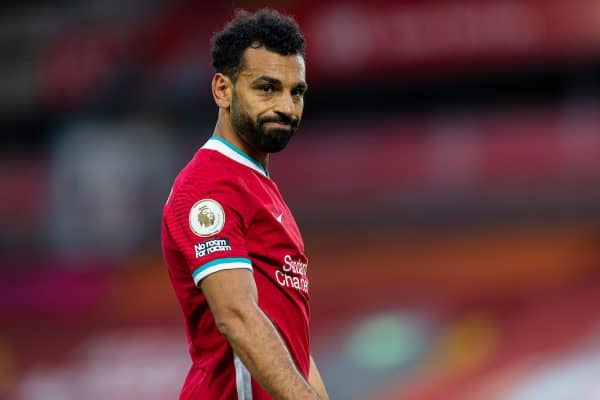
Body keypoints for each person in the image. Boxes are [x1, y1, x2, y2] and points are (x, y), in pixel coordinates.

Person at [161, 8, 329, 400]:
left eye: (296, 92)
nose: (286, 107)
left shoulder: (259, 187)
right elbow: (237, 317)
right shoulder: (207, 186)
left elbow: (296, 346)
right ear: (222, 89)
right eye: (267, 88)